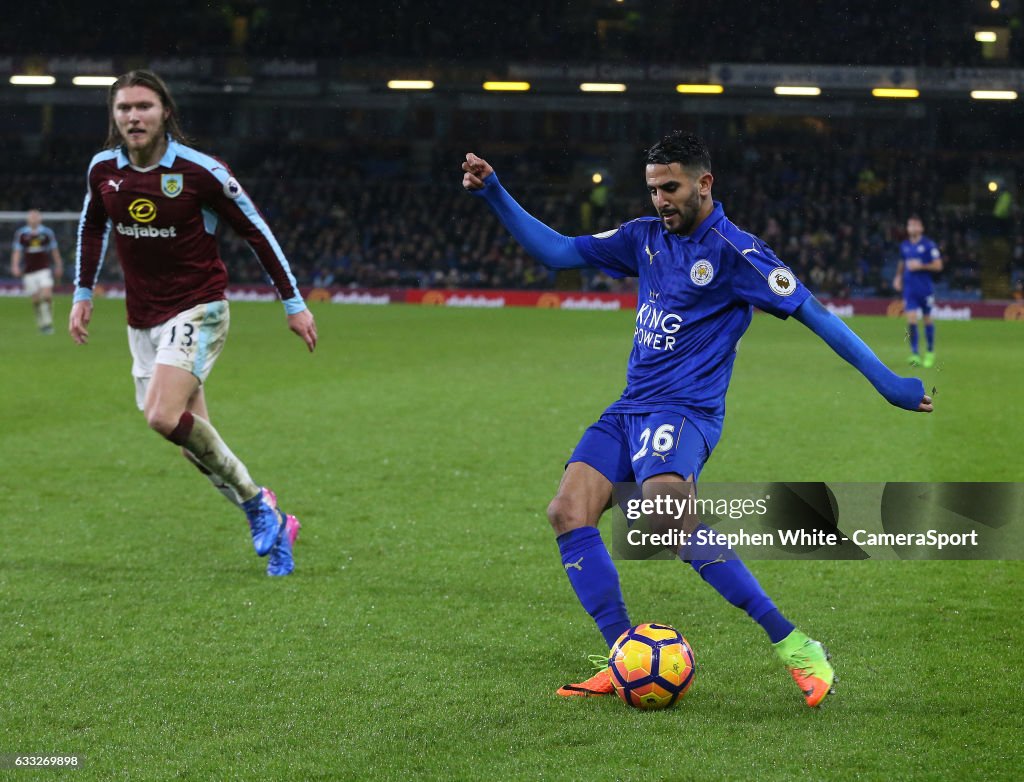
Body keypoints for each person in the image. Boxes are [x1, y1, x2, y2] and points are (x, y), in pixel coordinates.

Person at [462, 131, 932, 708]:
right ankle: (621, 658)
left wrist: (888, 382)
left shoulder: (740, 254)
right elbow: (559, 252)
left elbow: (817, 315)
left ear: (704, 183)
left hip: (686, 412)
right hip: (630, 407)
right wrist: (496, 193)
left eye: (672, 188)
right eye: (654, 189)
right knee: (566, 511)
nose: (661, 201)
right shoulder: (644, 238)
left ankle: (796, 645)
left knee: (662, 517)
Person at [70, 69, 318, 577]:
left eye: (144, 106)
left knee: (162, 416)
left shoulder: (200, 171)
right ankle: (273, 518)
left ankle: (255, 508)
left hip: (199, 307)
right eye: (123, 109)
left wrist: (293, 302)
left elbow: (257, 231)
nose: (133, 116)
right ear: (113, 117)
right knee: (194, 445)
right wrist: (82, 291)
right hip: (143, 321)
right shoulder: (103, 171)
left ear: (165, 113)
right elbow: (92, 224)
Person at [892, 215, 942, 367]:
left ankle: (930, 352)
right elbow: (902, 262)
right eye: (909, 225)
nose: (911, 228)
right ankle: (915, 354)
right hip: (910, 289)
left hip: (925, 289)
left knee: (927, 319)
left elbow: (938, 265)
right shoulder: (905, 245)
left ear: (921, 228)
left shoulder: (928, 245)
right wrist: (898, 277)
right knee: (911, 320)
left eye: (914, 225)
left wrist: (920, 266)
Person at [11, 209, 64, 334]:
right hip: (29, 271)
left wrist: (59, 265)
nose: (34, 218)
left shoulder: (47, 233)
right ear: (28, 219)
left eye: (36, 216)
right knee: (35, 300)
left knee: (46, 296)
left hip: (44, 269)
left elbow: (54, 250)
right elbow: (17, 251)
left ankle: (48, 322)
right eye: (32, 216)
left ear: (40, 219)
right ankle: (41, 321)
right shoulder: (22, 234)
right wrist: (15, 266)